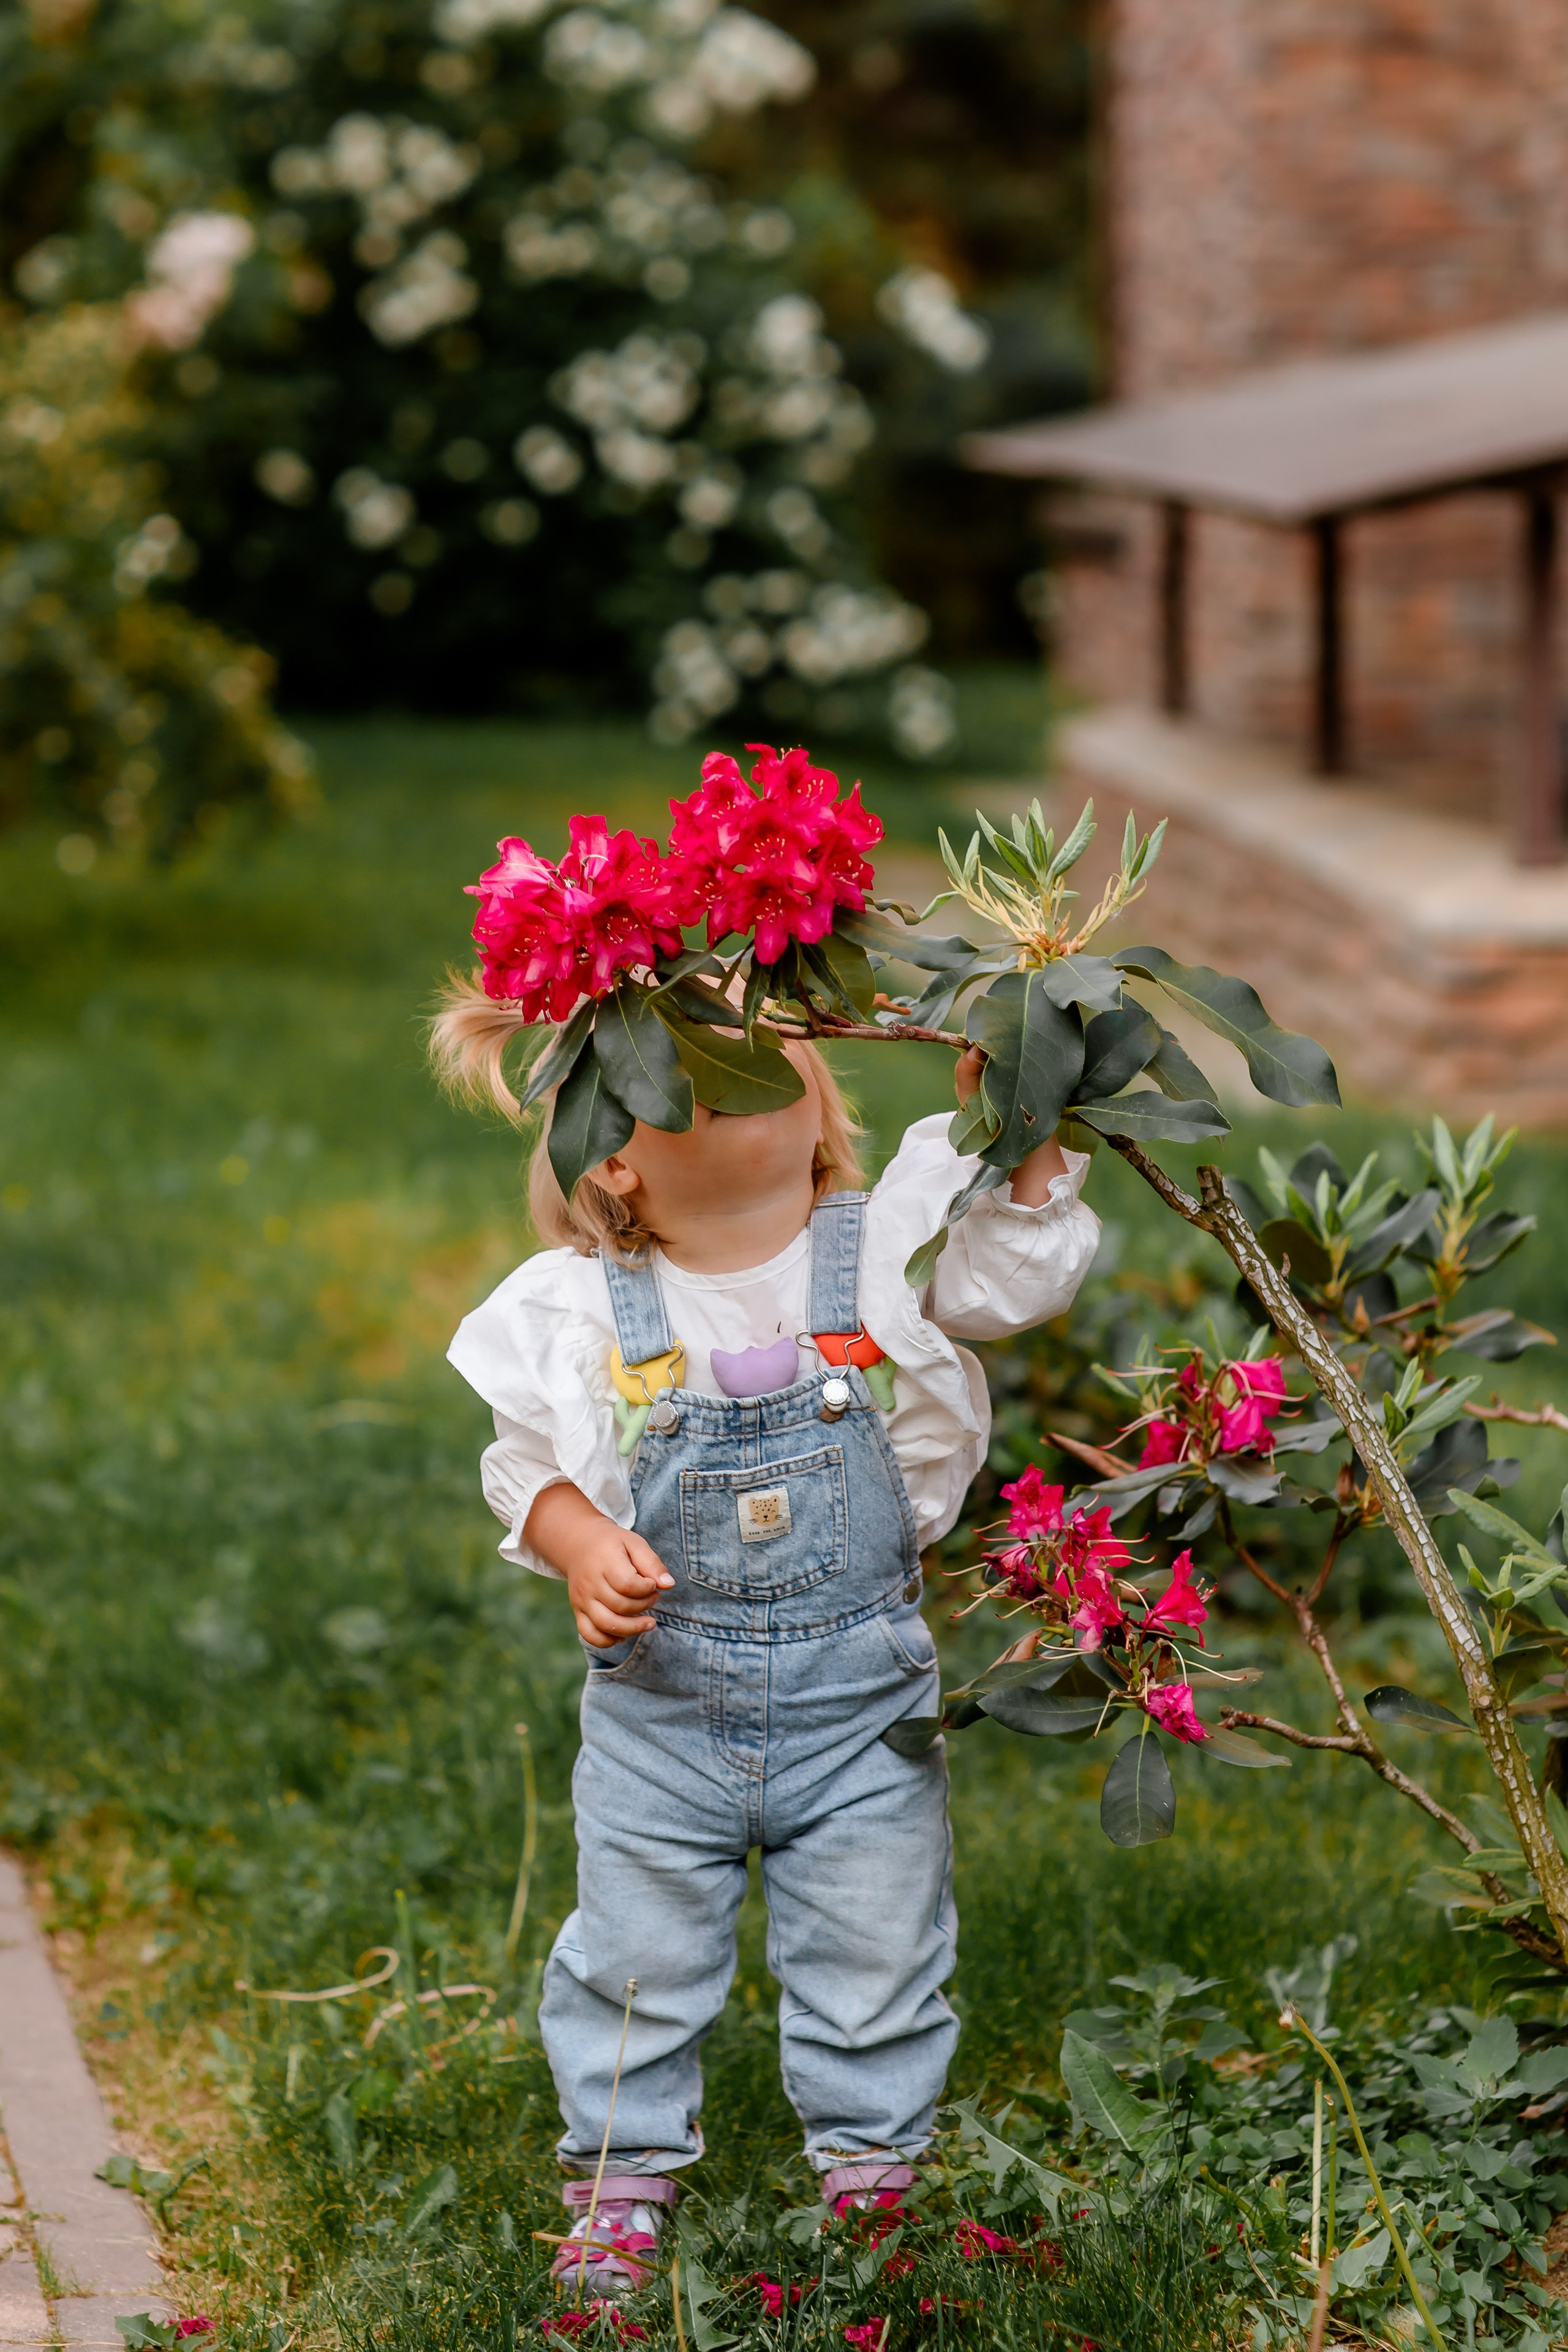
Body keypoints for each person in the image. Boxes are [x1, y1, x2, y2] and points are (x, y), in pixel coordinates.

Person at [432, 982, 1099, 2298]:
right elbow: (520, 1468)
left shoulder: (882, 1244)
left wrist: (1019, 1128)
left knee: (875, 1938)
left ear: (817, 1115)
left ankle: (869, 2170)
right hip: (660, 1715)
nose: (745, 1072)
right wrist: (579, 1546)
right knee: (631, 1954)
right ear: (612, 1158)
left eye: (766, 1056)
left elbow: (1016, 1276)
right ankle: (618, 2181)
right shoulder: (581, 1306)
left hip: (862, 1700)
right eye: (695, 1069)